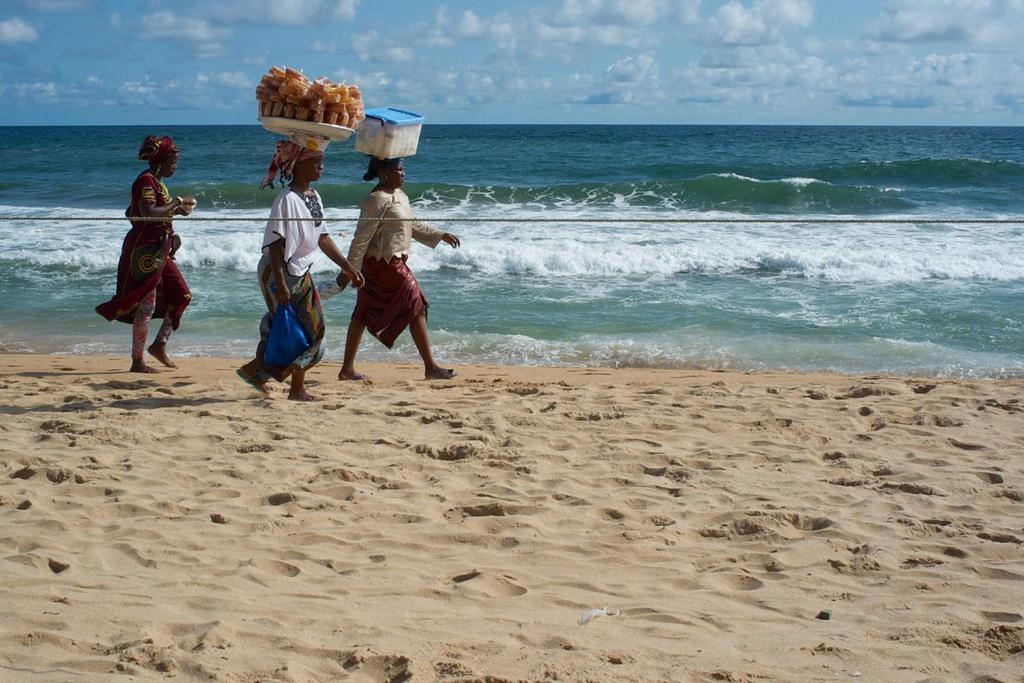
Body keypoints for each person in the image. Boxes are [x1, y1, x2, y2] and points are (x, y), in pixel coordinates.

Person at [236, 136, 364, 401]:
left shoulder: (313, 196)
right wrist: (281, 286)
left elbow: (323, 237)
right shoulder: (286, 199)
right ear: (298, 165)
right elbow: (274, 245)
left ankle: (256, 372)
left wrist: (348, 267)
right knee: (307, 332)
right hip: (279, 272)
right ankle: (296, 389)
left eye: (322, 162)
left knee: (290, 329)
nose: (321, 167)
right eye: (315, 162)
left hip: (300, 271)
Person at [338, 157, 460, 381]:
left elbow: (411, 224)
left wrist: (439, 234)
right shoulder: (375, 200)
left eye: (403, 169)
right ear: (384, 173)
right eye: (399, 170)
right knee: (416, 303)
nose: (403, 173)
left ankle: (347, 369)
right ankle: (430, 367)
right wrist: (350, 269)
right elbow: (361, 238)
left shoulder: (400, 195)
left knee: (364, 311)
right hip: (380, 265)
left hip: (395, 262)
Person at [96, 135, 194, 373]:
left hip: (159, 250)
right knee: (146, 305)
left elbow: (141, 212)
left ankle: (159, 344)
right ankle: (137, 360)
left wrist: (176, 212)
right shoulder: (145, 182)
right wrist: (177, 202)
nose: (175, 166)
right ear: (161, 161)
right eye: (173, 162)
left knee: (182, 295)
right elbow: (147, 211)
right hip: (145, 252)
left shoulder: (157, 182)